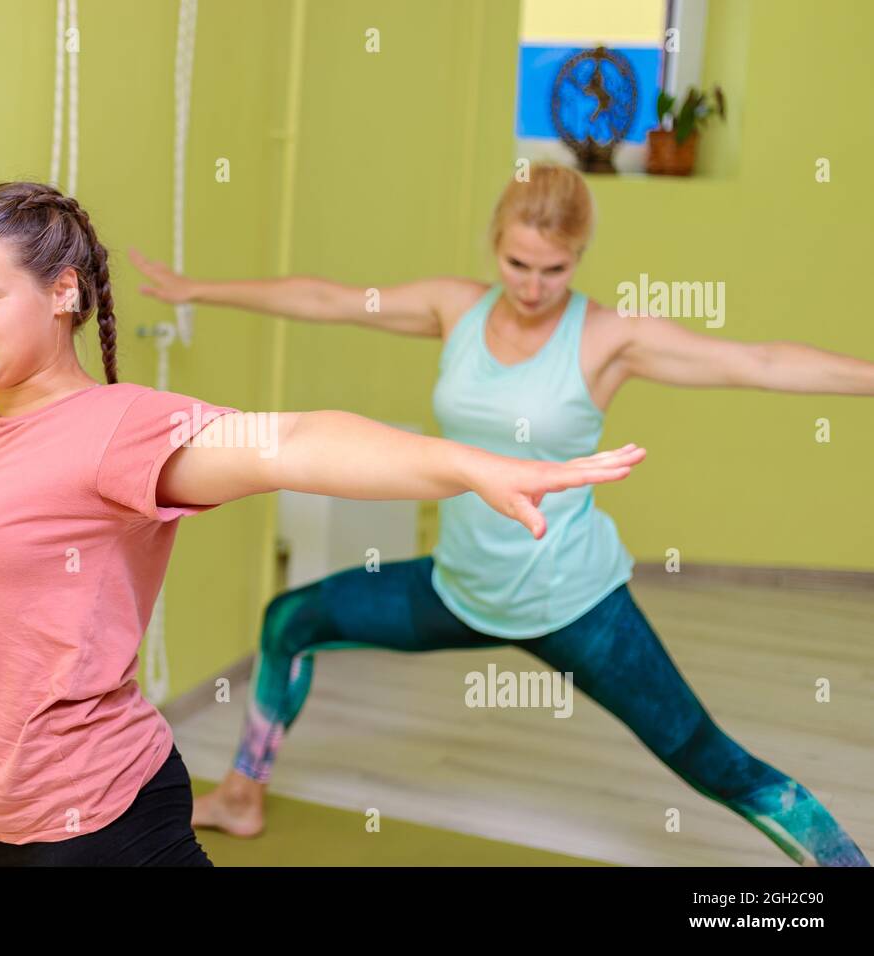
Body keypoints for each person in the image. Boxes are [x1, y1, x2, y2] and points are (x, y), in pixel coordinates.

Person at [0, 180, 644, 866]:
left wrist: (466, 463)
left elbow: (297, 440)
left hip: (88, 821)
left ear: (66, 295)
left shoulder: (124, 432)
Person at [131, 162, 873, 866]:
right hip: (460, 587)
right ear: (496, 245)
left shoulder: (611, 338)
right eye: (518, 264)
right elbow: (329, 298)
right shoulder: (454, 307)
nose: (534, 285)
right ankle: (239, 794)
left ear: (579, 256)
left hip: (573, 604)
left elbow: (762, 362)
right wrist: (199, 289)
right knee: (291, 620)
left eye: (556, 268)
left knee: (713, 760)